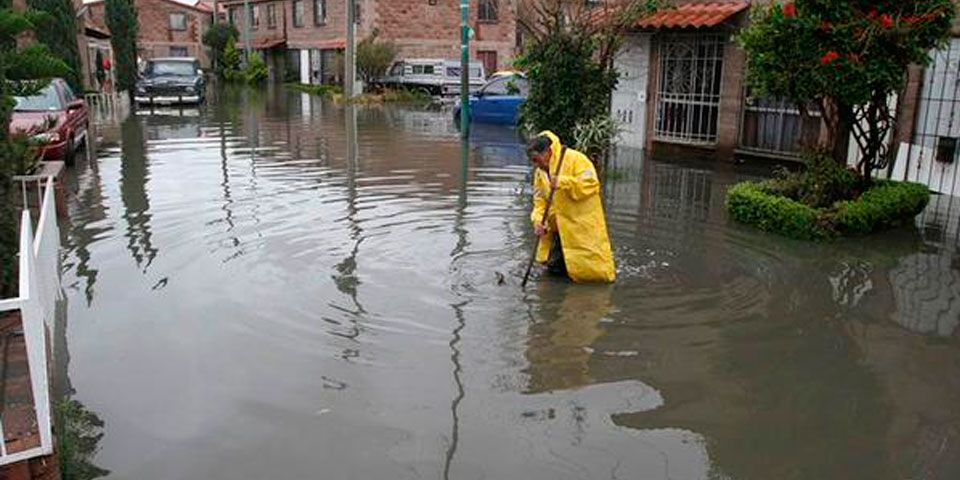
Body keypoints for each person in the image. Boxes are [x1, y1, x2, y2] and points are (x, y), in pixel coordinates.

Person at [528, 131, 616, 283]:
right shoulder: (539, 174)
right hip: (558, 228)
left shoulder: (576, 159)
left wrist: (564, 182)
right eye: (533, 161)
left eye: (537, 159)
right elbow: (539, 202)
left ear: (548, 152)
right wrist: (538, 221)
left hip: (581, 227)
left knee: (593, 273)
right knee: (554, 270)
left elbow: (591, 185)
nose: (536, 165)